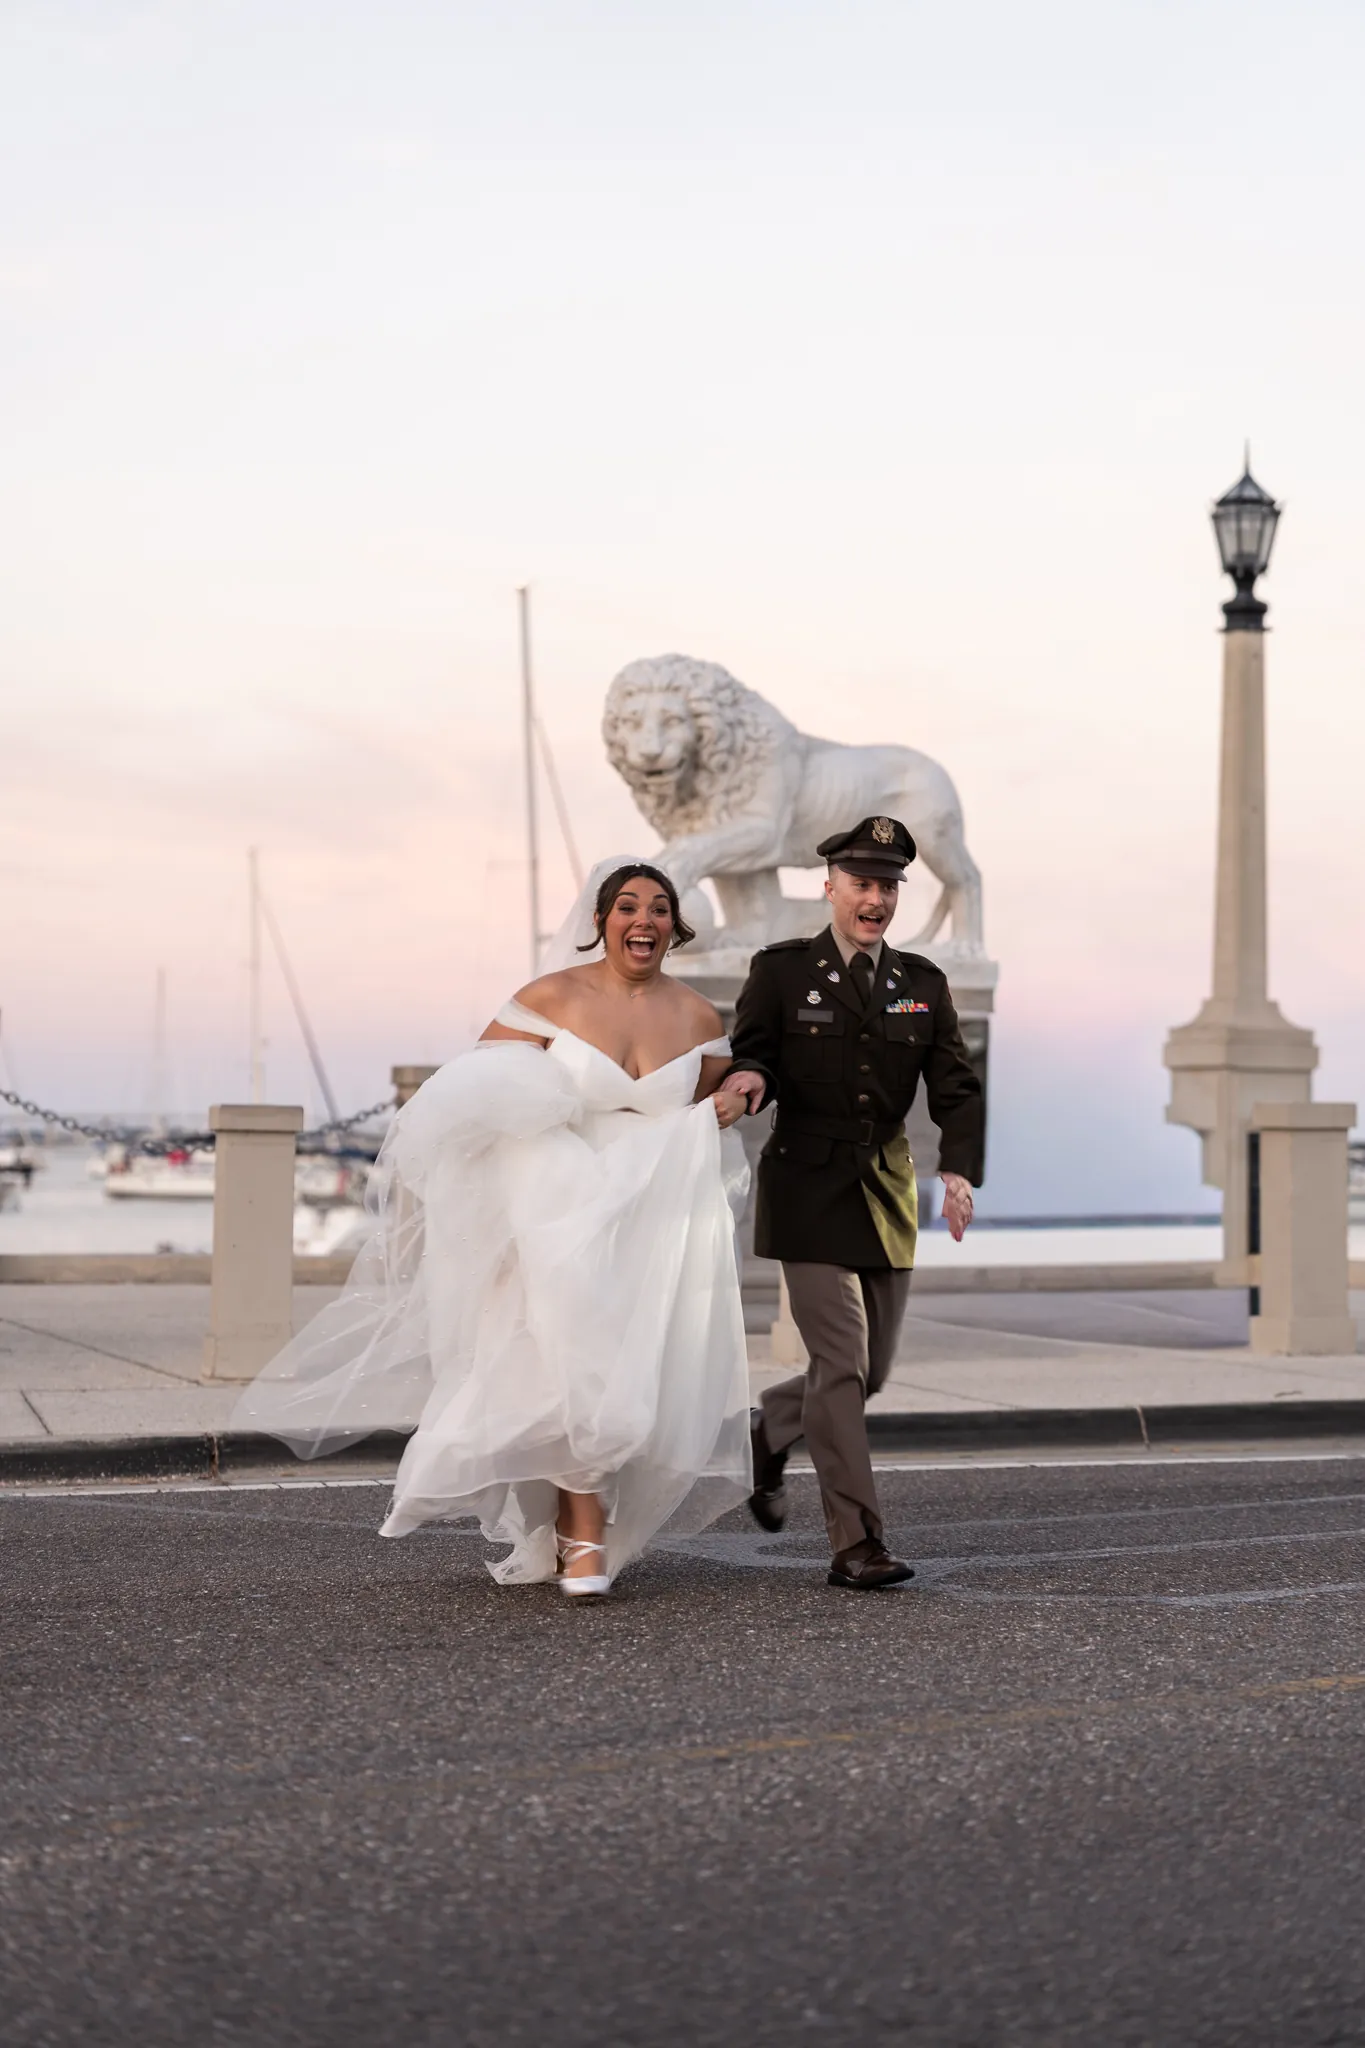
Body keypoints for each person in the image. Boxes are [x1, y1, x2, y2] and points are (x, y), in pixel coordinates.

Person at [233, 858, 752, 1600]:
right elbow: (468, 1102)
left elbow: (703, 1119)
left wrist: (735, 1091)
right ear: (599, 920)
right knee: (571, 1365)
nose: (645, 919)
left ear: (676, 925)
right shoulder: (546, 998)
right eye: (628, 906)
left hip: (646, 1219)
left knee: (636, 1388)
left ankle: (587, 1523)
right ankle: (580, 1534)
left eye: (660, 907)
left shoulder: (700, 1018)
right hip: (553, 1212)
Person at [719, 815, 984, 1590]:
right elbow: (753, 1052)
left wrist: (958, 1172)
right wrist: (748, 1081)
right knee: (838, 1366)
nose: (875, 899)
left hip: (885, 1187)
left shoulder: (921, 985)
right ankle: (856, 1543)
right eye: (862, 884)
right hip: (805, 1181)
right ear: (828, 886)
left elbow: (955, 1087)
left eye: (888, 886)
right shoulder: (780, 972)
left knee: (868, 1373)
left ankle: (770, 1427)